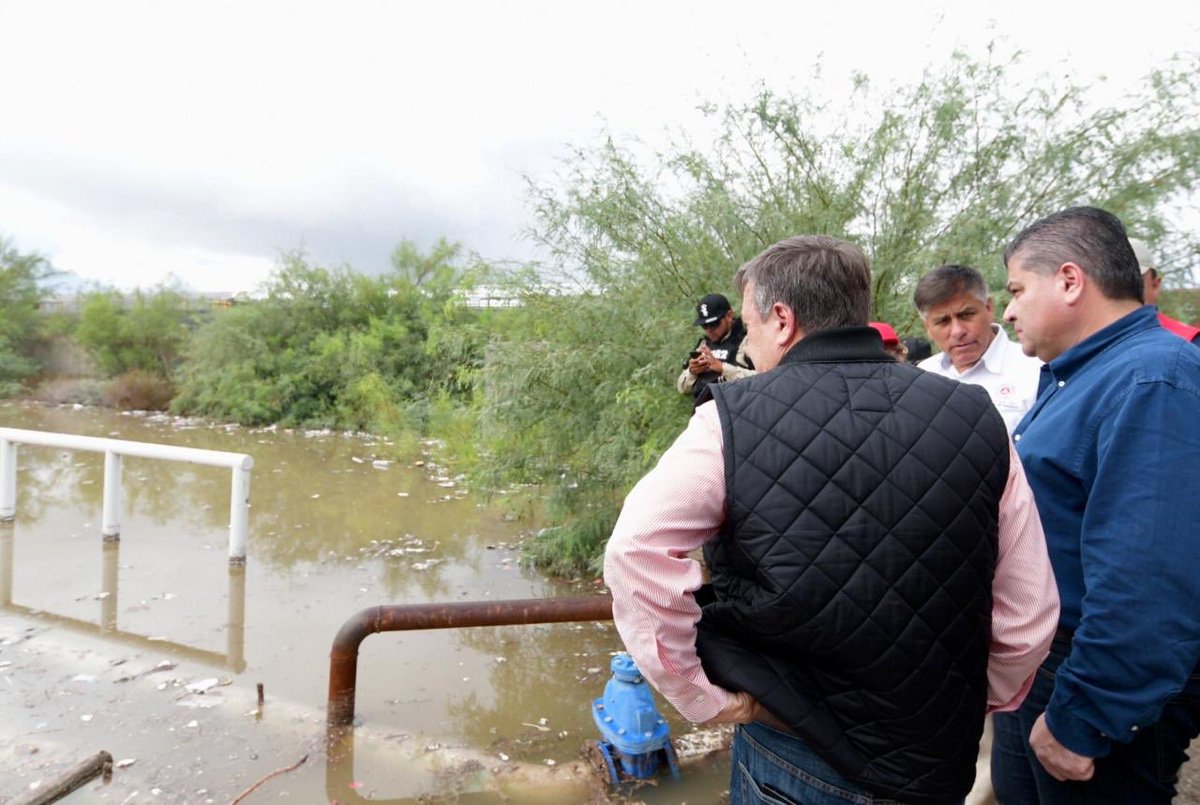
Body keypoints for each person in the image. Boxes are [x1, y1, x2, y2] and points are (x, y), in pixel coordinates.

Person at [605, 235, 1058, 804]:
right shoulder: (975, 415)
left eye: (750, 325)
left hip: (796, 752)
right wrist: (963, 695)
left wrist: (704, 698)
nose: (748, 350)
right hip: (939, 756)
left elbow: (635, 553)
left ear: (782, 319)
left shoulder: (731, 420)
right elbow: (1027, 614)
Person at [992, 207, 1200, 803]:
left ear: (1069, 280)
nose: (1007, 311)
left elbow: (1150, 584)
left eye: (1015, 290)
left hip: (1086, 681)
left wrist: (1085, 716)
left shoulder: (1152, 381)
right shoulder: (1079, 376)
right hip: (1045, 667)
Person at [914, 264, 1042, 433]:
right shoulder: (923, 376)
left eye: (966, 315)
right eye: (943, 321)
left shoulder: (1035, 370)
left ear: (989, 308)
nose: (958, 331)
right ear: (928, 328)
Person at [676, 293, 755, 407]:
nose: (709, 330)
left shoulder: (748, 340)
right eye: (705, 326)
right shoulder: (704, 345)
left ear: (729, 315)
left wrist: (723, 368)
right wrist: (693, 371)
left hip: (739, 410)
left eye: (714, 324)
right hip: (706, 414)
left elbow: (765, 379)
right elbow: (682, 388)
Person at [1128, 237, 1200, 344]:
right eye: (1113, 282)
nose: (1122, 291)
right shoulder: (1096, 342)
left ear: (1155, 285)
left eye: (1133, 282)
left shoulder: (1188, 341)